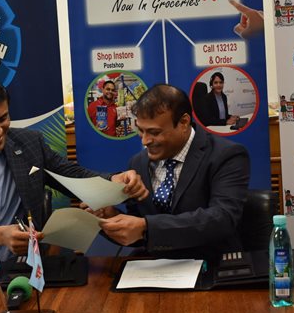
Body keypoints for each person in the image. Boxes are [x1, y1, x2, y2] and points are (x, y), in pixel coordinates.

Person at [0, 74, 148, 264]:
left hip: (25, 269)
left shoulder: (29, 144)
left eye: (3, 118)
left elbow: (72, 175)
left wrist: (115, 179)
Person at [94, 84, 250, 261]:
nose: (145, 141)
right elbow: (140, 232)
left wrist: (146, 227)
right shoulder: (138, 163)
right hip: (156, 267)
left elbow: (222, 219)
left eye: (154, 132)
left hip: (212, 265)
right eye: (141, 131)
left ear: (183, 122)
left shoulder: (226, 155)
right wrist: (113, 217)